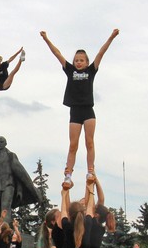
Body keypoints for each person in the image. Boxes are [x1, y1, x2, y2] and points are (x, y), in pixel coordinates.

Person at [40, 29, 119, 185]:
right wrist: (46, 39)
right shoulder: (70, 71)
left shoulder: (91, 71)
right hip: (75, 111)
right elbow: (57, 54)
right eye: (76, 60)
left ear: (87, 62)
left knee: (89, 142)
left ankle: (90, 170)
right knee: (73, 145)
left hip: (88, 111)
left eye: (81, 60)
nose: (78, 62)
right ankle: (68, 174)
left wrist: (111, 37)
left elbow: (101, 53)